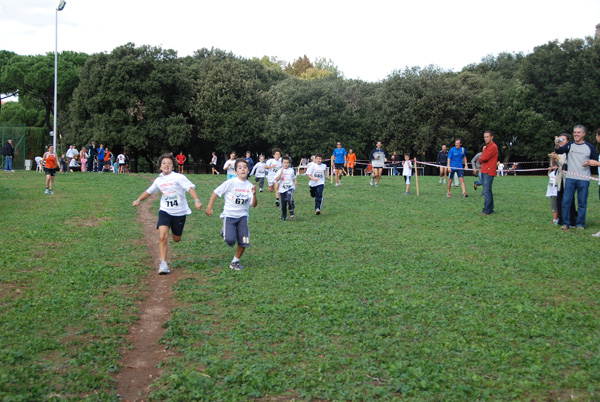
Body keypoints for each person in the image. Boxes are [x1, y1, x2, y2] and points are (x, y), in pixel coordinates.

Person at [132, 153, 202, 275]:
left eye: (169, 163)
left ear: (173, 167)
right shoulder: (159, 180)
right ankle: (163, 263)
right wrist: (138, 199)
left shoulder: (179, 177)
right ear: (160, 167)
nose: (166, 165)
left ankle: (175, 234)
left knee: (176, 239)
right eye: (164, 163)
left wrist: (196, 200)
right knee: (162, 236)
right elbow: (149, 191)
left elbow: (190, 189)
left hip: (179, 213)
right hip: (165, 211)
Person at [205, 158, 257, 270]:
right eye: (240, 168)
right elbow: (215, 192)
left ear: (248, 170)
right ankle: (225, 231)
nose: (242, 169)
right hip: (229, 215)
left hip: (243, 217)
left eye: (245, 167)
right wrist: (209, 207)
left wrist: (254, 194)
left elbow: (254, 205)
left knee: (244, 241)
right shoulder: (231, 183)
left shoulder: (249, 186)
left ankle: (235, 262)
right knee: (230, 240)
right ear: (235, 171)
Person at [556, 125, 598, 230]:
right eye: (575, 132)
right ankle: (566, 223)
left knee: (582, 203)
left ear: (584, 134)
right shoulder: (570, 145)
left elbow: (596, 161)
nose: (576, 134)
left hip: (584, 179)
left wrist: (590, 162)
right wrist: (556, 144)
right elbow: (558, 151)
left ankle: (580, 224)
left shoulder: (589, 147)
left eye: (578, 132)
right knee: (566, 202)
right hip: (570, 178)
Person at [478, 131, 498, 215]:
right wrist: (481, 158)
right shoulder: (487, 147)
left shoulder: (492, 147)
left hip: (488, 171)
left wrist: (481, 158)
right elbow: (482, 157)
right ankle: (490, 209)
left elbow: (483, 158)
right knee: (488, 191)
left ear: (491, 137)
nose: (486, 138)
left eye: (487, 137)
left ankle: (486, 210)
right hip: (485, 170)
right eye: (485, 137)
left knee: (486, 191)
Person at [274, 156, 297, 221]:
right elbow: (276, 179)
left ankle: (290, 209)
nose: (286, 164)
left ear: (289, 163)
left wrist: (295, 181)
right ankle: (284, 216)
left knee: (289, 198)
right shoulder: (279, 171)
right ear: (282, 163)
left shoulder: (291, 170)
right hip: (282, 189)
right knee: (283, 204)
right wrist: (281, 173)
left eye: (287, 163)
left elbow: (294, 177)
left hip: (290, 187)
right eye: (284, 163)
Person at [547, 159, 559, 224]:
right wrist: (550, 170)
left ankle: (555, 219)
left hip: (555, 192)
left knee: (554, 206)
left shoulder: (558, 173)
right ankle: (556, 218)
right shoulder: (552, 173)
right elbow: (549, 174)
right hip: (551, 191)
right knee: (553, 205)